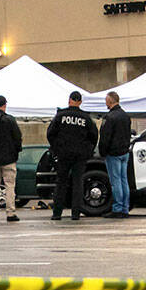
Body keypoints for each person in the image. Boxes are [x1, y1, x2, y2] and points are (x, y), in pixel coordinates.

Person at [46, 90, 98, 220]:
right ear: (80, 102)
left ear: (69, 100)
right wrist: (88, 151)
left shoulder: (61, 116)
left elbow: (50, 133)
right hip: (80, 155)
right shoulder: (86, 118)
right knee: (77, 183)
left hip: (63, 154)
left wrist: (56, 148)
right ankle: (76, 213)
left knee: (61, 182)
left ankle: (57, 213)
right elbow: (94, 136)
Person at [99, 91, 132, 218]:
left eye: (106, 100)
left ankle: (117, 208)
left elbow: (105, 137)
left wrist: (103, 151)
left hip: (113, 153)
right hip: (124, 152)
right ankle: (125, 208)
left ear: (110, 101)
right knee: (124, 180)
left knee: (115, 181)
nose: (105, 103)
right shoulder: (125, 116)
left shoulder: (110, 117)